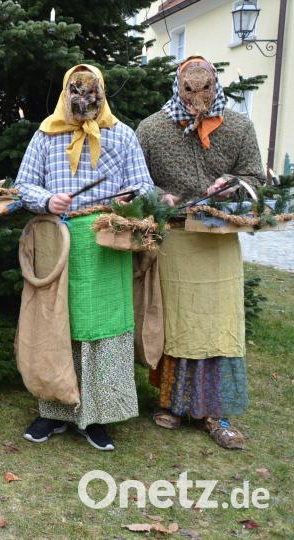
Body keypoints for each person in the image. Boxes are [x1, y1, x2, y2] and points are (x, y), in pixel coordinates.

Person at [15, 65, 154, 451]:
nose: (84, 104)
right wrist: (46, 199)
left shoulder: (122, 135)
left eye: (91, 97)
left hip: (106, 242)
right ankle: (54, 410)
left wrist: (128, 197)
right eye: (77, 96)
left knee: (101, 326)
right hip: (58, 241)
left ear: (101, 95)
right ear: (66, 95)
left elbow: (144, 184)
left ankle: (96, 416)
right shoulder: (46, 134)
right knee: (58, 323)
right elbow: (21, 186)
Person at [136, 56, 263, 450]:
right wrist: (160, 196)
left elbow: (256, 178)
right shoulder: (153, 129)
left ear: (215, 84)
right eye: (189, 91)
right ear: (178, 87)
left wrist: (233, 185)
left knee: (216, 325)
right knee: (177, 322)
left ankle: (214, 411)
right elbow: (136, 178)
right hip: (175, 241)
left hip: (219, 243)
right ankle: (172, 402)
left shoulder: (239, 127)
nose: (197, 99)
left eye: (205, 89)